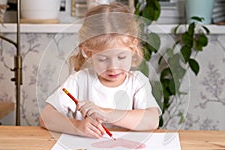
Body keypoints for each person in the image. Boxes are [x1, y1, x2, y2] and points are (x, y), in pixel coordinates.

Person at [40, 2, 161, 138]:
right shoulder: (79, 80)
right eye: (103, 59)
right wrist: (77, 126)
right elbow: (46, 117)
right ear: (88, 53)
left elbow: (152, 120)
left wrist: (106, 113)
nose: (113, 67)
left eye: (121, 57)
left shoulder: (137, 82)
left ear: (133, 48)